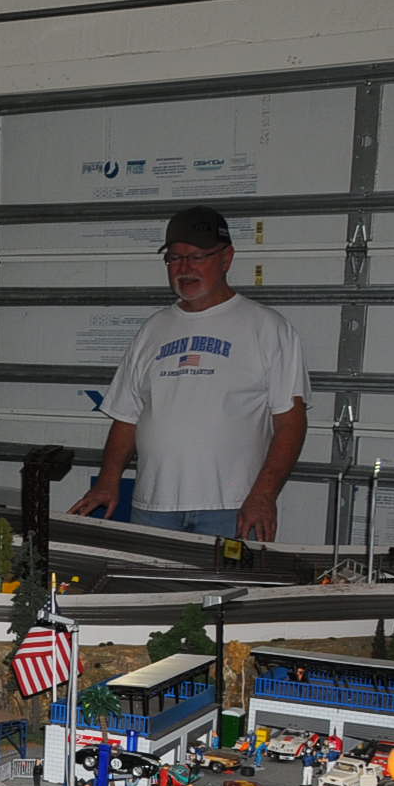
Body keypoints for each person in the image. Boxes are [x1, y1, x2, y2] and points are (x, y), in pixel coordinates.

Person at [67, 205, 309, 541]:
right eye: (174, 258)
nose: (184, 268)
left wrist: (264, 496)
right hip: (152, 508)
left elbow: (291, 423)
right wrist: (108, 480)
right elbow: (127, 416)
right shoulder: (153, 330)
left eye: (196, 257)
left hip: (233, 510)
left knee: (227, 580)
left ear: (226, 258)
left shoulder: (268, 328)